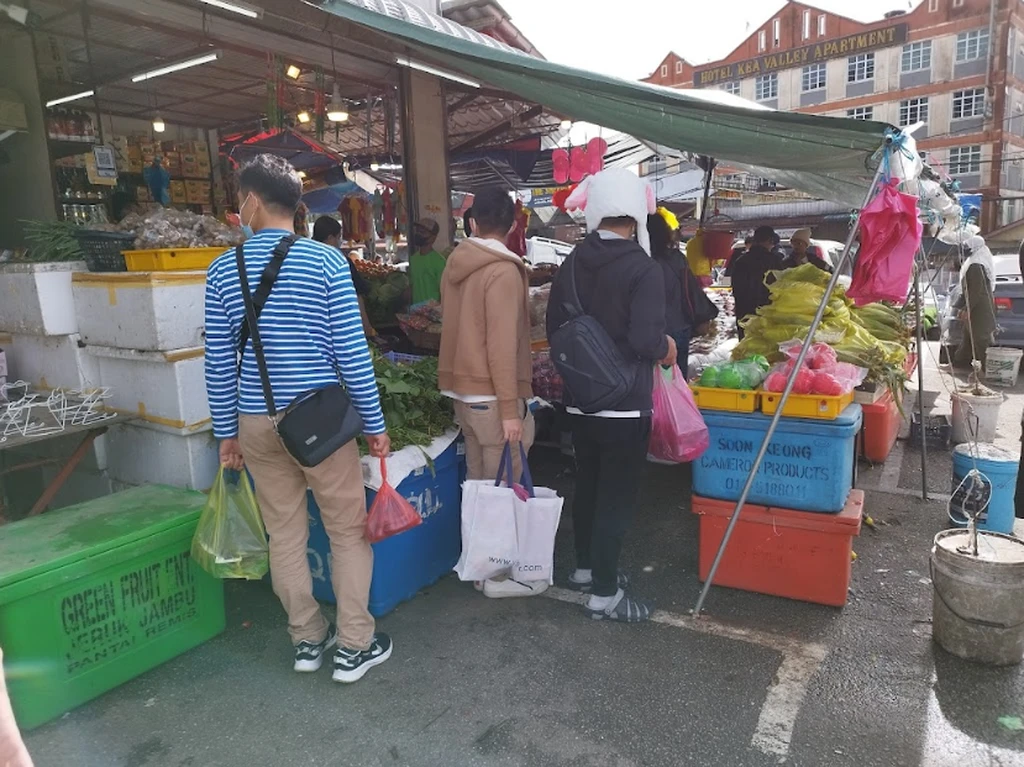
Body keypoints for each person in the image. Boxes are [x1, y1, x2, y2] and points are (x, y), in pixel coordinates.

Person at [204, 154, 392, 684]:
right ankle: (355, 646)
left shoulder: (222, 269)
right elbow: (352, 355)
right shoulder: (326, 263)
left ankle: (307, 640)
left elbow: (218, 361)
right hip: (321, 422)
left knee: (284, 534)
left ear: (255, 202)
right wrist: (375, 424)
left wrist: (225, 433)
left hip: (256, 423)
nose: (237, 210)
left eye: (240, 200)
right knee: (347, 533)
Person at [546, 168, 676, 624]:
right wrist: (667, 348)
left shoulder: (571, 263)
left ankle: (585, 569)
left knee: (589, 487)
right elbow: (645, 340)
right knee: (616, 497)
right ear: (636, 215)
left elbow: (553, 331)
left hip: (582, 401)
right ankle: (605, 593)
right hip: (625, 404)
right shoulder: (644, 268)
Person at [438, 188, 540, 599]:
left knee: (481, 481)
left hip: (463, 393)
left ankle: (478, 564)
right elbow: (500, 345)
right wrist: (511, 409)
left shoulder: (455, 265)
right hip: (493, 396)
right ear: (514, 225)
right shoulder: (503, 271)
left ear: (473, 223)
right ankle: (495, 573)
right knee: (503, 484)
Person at [312, 215, 376, 338]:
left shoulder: (305, 261)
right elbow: (357, 296)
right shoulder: (341, 262)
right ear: (330, 238)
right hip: (340, 326)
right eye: (338, 237)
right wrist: (367, 328)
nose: (340, 242)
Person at [731, 225, 785, 339]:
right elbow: (781, 287)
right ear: (770, 241)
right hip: (767, 312)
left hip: (744, 313)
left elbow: (736, 289)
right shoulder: (774, 261)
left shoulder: (740, 261)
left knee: (746, 346)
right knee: (765, 347)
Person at [952, 238, 996, 370]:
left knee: (980, 339)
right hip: (976, 308)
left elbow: (975, 292)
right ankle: (958, 364)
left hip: (980, 310)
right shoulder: (973, 263)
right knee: (967, 338)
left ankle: (985, 369)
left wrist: (967, 309)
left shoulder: (977, 265)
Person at [408, 217, 446, 304]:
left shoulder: (439, 261)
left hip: (433, 313)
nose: (418, 234)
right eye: (417, 231)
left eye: (423, 232)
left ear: (433, 238)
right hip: (416, 312)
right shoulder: (413, 259)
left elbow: (444, 291)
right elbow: (412, 286)